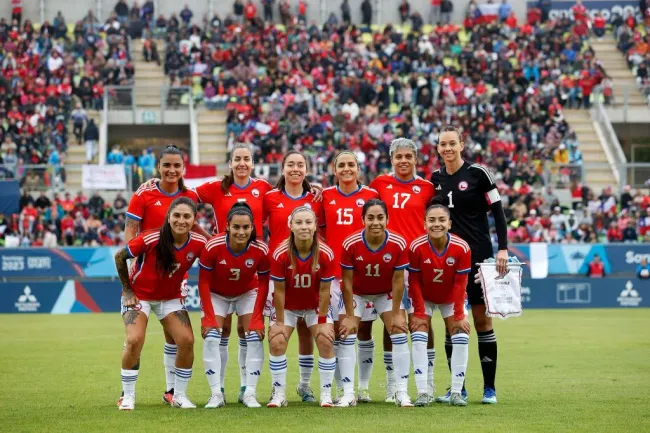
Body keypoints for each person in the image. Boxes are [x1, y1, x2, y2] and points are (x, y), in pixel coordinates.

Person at [430, 125, 509, 404]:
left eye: (452, 143)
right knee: (452, 323)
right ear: (438, 148)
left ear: (461, 145)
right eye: (443, 144)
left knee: (481, 321)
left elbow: (498, 212)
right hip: (447, 260)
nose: (448, 148)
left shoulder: (478, 174)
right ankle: (457, 388)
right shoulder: (435, 179)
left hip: (478, 258)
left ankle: (489, 388)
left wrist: (502, 249)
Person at [123, 145, 205, 406]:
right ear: (159, 166)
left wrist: (213, 241)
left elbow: (195, 223)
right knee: (136, 338)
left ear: (183, 168)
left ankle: (172, 392)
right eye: (166, 165)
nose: (171, 170)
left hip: (174, 278)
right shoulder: (144, 193)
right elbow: (131, 229)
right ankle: (128, 394)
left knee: (177, 337)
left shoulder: (190, 194)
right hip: (146, 269)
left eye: (176, 166)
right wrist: (135, 262)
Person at [369, 138, 435, 403]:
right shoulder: (379, 184)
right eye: (399, 156)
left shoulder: (428, 188)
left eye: (408, 156)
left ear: (416, 159)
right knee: (391, 322)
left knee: (423, 321)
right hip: (389, 264)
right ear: (391, 159)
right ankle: (393, 383)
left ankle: (427, 382)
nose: (404, 161)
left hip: (419, 265)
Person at [261, 150, 323, 402]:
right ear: (283, 168)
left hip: (311, 271)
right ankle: (278, 390)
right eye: (291, 164)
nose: (295, 168)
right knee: (278, 331)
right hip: (279, 273)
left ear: (306, 170)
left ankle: (305, 385)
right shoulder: (269, 198)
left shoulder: (317, 198)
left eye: (300, 165)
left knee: (306, 330)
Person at [338, 199, 412, 407]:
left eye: (380, 217)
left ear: (387, 219)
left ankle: (401, 392)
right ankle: (348, 392)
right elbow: (347, 282)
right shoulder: (350, 243)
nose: (375, 222)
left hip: (385, 293)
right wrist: (351, 316)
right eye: (370, 217)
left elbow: (398, 281)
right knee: (346, 332)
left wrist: (397, 312)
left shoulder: (398, 243)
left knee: (398, 330)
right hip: (359, 293)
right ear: (363, 219)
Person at [319, 151, 380, 403]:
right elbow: (319, 232)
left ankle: (360, 388)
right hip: (332, 276)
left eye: (351, 165)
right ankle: (343, 389)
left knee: (360, 329)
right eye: (341, 165)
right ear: (335, 170)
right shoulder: (325, 196)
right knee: (335, 332)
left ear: (358, 168)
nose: (346, 169)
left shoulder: (370, 196)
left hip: (360, 276)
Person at [261, 206, 336, 408]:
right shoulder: (280, 254)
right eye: (299, 222)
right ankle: (278, 394)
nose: (304, 226)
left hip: (314, 307)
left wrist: (322, 321)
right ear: (291, 226)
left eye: (308, 222)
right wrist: (278, 321)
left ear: (315, 227)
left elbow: (324, 292)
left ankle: (326, 394)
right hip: (287, 307)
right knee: (276, 340)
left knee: (326, 339)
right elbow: (279, 291)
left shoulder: (326, 254)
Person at [198, 203, 270, 409]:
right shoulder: (213, 246)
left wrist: (257, 318)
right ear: (227, 226)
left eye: (246, 227)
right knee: (212, 337)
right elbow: (203, 281)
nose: (241, 232)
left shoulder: (260, 249)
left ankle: (249, 392)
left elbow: (264, 283)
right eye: (236, 227)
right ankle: (216, 393)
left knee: (254, 336)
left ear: (252, 227)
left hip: (247, 293)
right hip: (217, 294)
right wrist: (208, 317)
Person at [408, 202, 472, 407]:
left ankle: (456, 392)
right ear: (424, 223)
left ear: (450, 223)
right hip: (424, 297)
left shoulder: (462, 247)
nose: (437, 224)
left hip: (451, 298)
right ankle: (423, 392)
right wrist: (418, 311)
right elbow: (414, 282)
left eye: (442, 220)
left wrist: (459, 314)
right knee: (419, 334)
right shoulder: (416, 247)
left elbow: (461, 283)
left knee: (461, 334)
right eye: (432, 220)